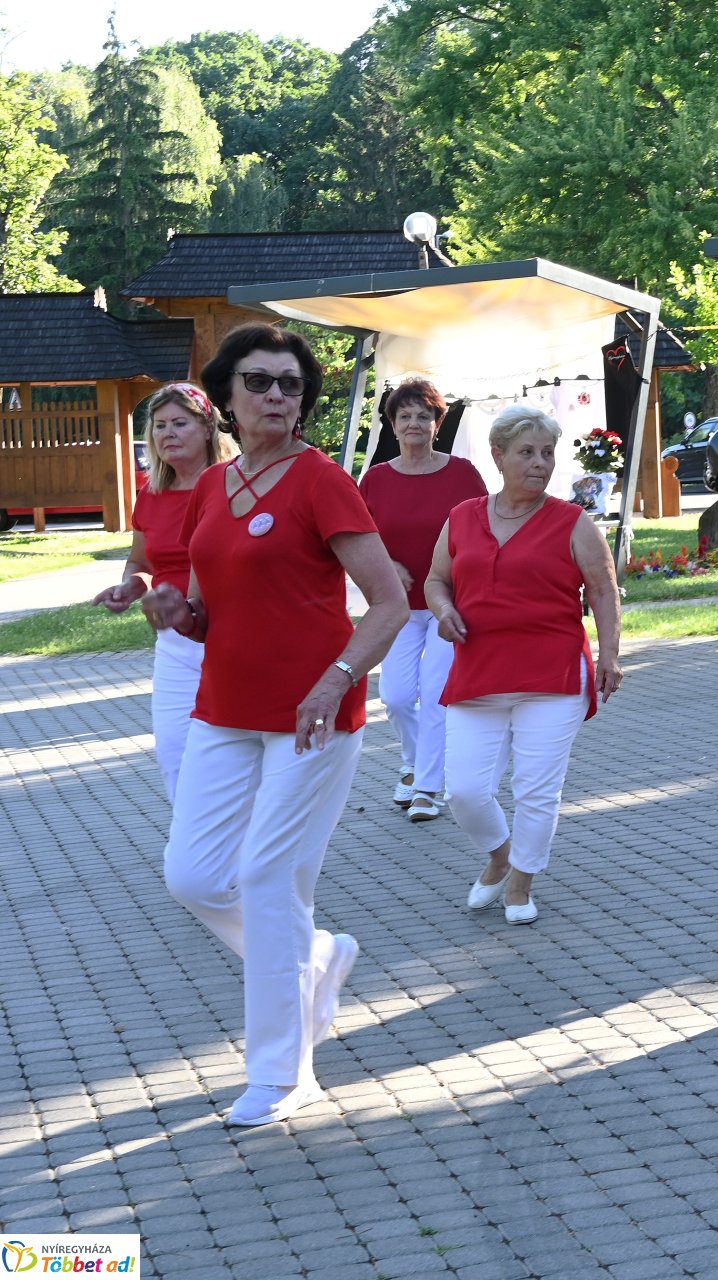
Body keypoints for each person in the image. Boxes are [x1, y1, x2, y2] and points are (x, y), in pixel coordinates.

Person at [141, 324, 408, 1126]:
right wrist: (175, 612)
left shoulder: (321, 480)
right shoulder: (211, 490)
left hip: (314, 717)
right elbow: (212, 612)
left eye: (290, 386)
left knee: (266, 878)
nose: (275, 397)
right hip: (224, 708)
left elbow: (389, 603)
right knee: (191, 875)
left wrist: (334, 682)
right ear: (227, 397)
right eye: (258, 382)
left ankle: (284, 1075)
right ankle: (316, 957)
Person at [424, 405, 623, 926]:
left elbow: (603, 590)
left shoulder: (573, 522)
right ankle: (499, 854)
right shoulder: (462, 516)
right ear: (498, 456)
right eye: (527, 452)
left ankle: (521, 881)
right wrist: (443, 611)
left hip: (552, 674)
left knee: (536, 789)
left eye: (548, 454)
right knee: (464, 790)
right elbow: (435, 581)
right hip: (478, 672)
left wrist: (610, 655)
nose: (540, 463)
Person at [93, 383, 234, 800]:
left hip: (233, 638)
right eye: (159, 426)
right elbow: (143, 563)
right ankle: (197, 855)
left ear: (207, 427)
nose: (167, 433)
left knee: (233, 756)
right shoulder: (151, 495)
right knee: (174, 754)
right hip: (176, 644)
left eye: (179, 423)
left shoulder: (236, 485)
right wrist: (130, 586)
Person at [358, 379, 487, 822]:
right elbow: (357, 539)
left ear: (438, 424)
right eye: (405, 416)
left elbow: (483, 530)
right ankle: (415, 765)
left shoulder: (463, 473)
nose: (415, 423)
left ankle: (428, 789)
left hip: (448, 603)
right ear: (392, 425)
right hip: (396, 606)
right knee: (395, 696)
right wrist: (385, 564)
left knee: (434, 693)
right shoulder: (375, 479)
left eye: (424, 416)